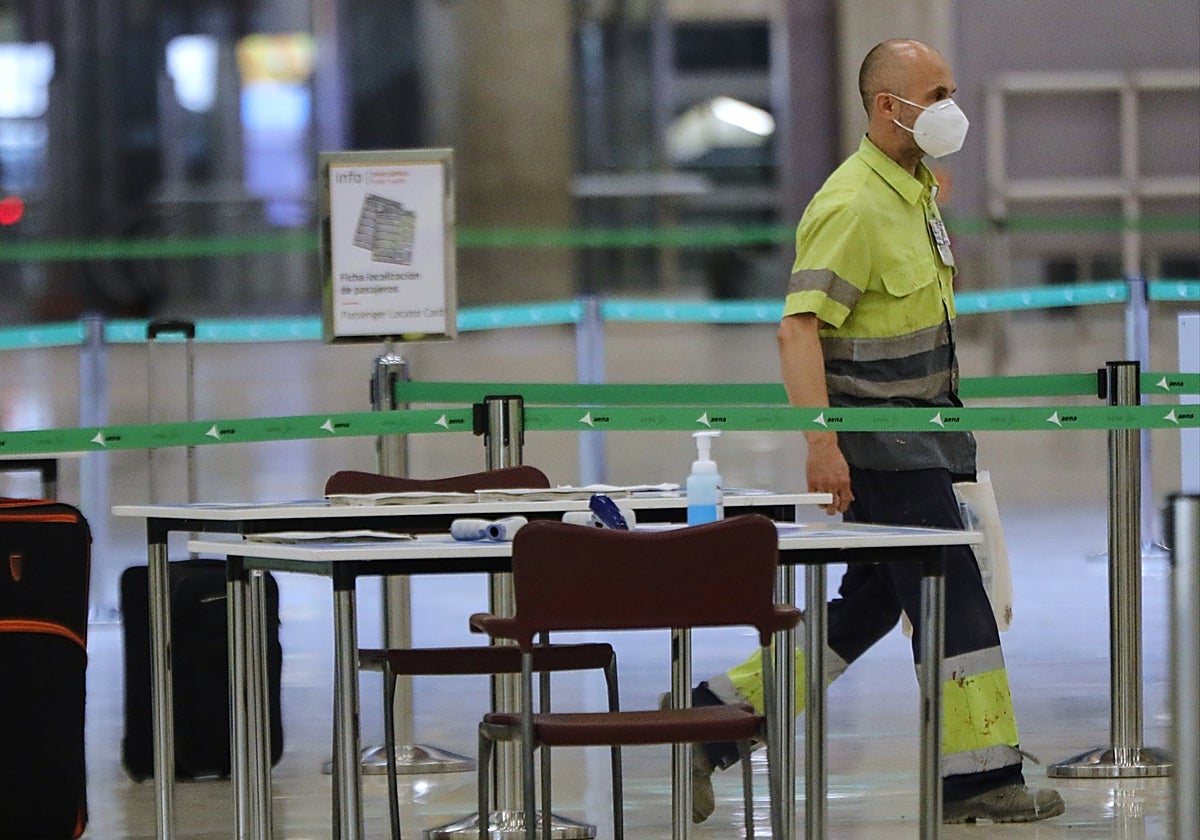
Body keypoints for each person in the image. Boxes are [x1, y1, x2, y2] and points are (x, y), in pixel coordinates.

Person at [683, 39, 1065, 825]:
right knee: (952, 595)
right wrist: (822, 443)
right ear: (890, 106)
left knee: (869, 603)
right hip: (885, 444)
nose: (952, 106)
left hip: (928, 438)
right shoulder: (852, 203)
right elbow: (797, 329)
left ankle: (715, 718)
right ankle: (979, 777)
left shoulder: (914, 194)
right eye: (938, 93)